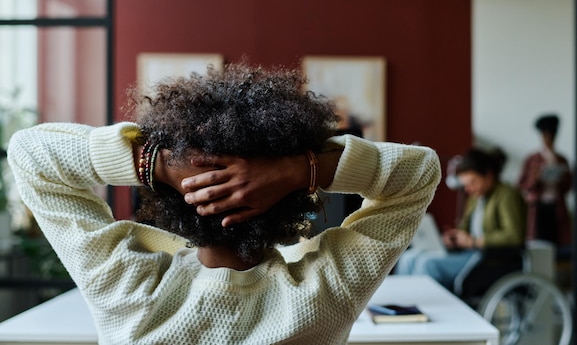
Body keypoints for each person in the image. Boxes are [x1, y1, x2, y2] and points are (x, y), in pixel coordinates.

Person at [7, 63, 441, 345]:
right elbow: (419, 171)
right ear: (295, 200)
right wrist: (298, 170)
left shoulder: (126, 290)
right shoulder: (326, 295)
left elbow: (29, 152)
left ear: (176, 197)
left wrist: (160, 165)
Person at [396, 147, 526, 291]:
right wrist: (456, 237)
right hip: (468, 253)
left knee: (427, 264)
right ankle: (403, 307)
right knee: (409, 258)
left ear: (488, 175)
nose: (468, 189)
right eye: (466, 185)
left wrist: (474, 241)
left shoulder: (506, 195)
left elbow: (514, 235)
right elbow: (465, 227)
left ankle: (418, 309)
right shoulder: (475, 198)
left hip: (488, 259)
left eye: (472, 182)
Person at [518, 113, 572, 246]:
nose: (549, 139)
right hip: (538, 207)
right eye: (546, 135)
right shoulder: (532, 159)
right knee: (539, 241)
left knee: (558, 241)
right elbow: (522, 184)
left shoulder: (562, 160)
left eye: (551, 135)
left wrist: (564, 177)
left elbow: (568, 187)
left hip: (556, 206)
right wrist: (534, 179)